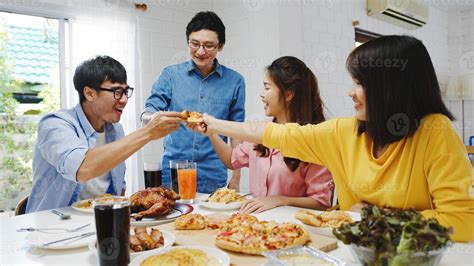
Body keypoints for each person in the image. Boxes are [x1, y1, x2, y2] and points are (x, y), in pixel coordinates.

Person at [195, 35, 474, 242]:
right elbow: (278, 134)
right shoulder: (345, 132)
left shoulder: (435, 132)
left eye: (359, 83)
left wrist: (378, 217)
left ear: (392, 87)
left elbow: (462, 221)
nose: (350, 93)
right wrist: (214, 124)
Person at [26, 56, 182, 213]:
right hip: (51, 228)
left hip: (101, 223)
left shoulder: (115, 130)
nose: (124, 99)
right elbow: (82, 169)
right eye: (116, 92)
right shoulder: (55, 124)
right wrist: (148, 132)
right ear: (89, 93)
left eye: (126, 91)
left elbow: (118, 191)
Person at [188, 56, 333, 213]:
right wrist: (212, 134)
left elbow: (321, 202)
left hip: (292, 228)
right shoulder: (260, 133)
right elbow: (231, 160)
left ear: (288, 95)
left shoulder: (314, 139)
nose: (261, 94)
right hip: (255, 223)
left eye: (267, 87)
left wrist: (280, 200)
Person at [142, 11, 245, 193]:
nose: (200, 51)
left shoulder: (235, 81)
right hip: (173, 171)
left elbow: (235, 131)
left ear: (220, 46)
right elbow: (149, 110)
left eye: (209, 46)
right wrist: (151, 117)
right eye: (194, 44)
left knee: (210, 222)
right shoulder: (170, 75)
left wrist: (236, 177)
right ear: (188, 42)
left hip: (213, 172)